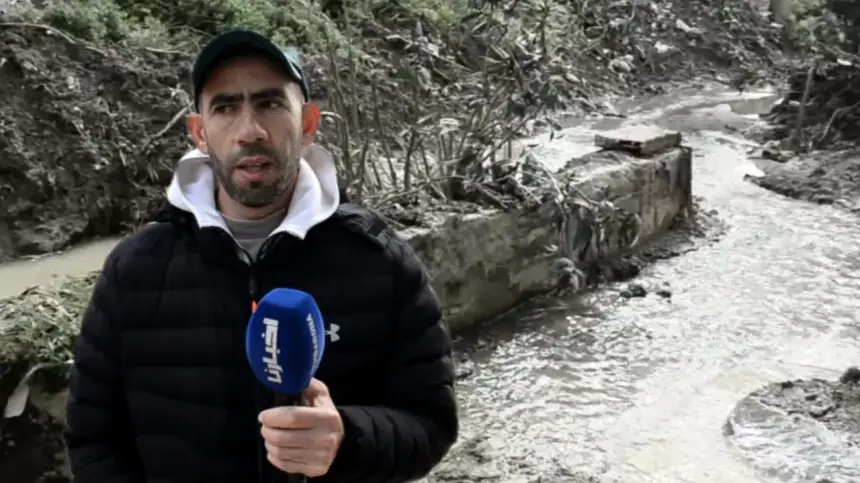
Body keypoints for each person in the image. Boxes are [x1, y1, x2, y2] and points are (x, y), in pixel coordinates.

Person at [64, 29, 458, 482]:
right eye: (225, 107)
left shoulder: (380, 261)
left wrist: (348, 439)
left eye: (270, 103)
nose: (249, 131)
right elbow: (93, 438)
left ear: (307, 124)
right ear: (200, 133)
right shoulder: (133, 271)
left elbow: (431, 422)